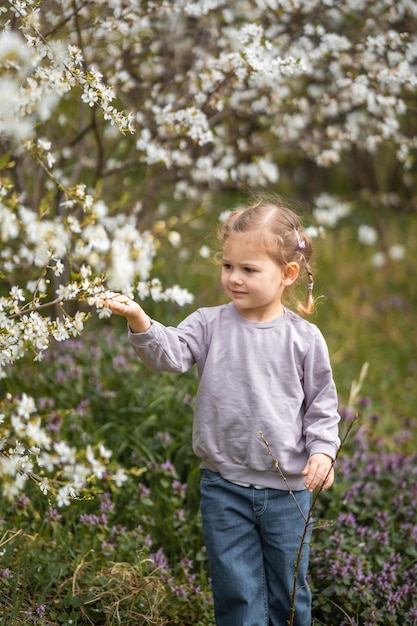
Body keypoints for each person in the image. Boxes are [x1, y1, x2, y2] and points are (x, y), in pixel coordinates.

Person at [103, 197, 340, 626]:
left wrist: (323, 452)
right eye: (228, 266)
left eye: (249, 270)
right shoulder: (209, 323)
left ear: (287, 274)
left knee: (289, 591)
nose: (234, 278)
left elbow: (322, 405)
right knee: (237, 592)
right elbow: (170, 355)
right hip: (223, 486)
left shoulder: (304, 339)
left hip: (288, 491)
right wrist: (141, 319)